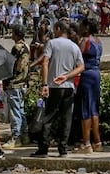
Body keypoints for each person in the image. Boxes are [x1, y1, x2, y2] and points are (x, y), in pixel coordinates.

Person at [30, 20, 84, 158]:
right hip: (69, 86)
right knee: (66, 118)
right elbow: (81, 67)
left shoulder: (52, 43)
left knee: (49, 116)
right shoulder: (74, 46)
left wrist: (45, 84)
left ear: (59, 29)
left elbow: (45, 62)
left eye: (55, 28)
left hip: (54, 85)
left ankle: (44, 147)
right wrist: (67, 77)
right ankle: (63, 148)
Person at [75, 17, 103, 153]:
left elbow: (77, 59)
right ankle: (97, 141)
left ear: (86, 28)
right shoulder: (98, 41)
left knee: (85, 108)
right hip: (96, 73)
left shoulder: (85, 41)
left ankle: (86, 143)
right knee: (94, 108)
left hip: (86, 75)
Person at [3, 24, 30, 148]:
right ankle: (25, 135)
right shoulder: (26, 46)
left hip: (15, 83)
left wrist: (6, 81)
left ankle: (16, 137)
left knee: (15, 112)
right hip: (23, 82)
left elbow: (12, 67)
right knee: (21, 110)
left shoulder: (16, 48)